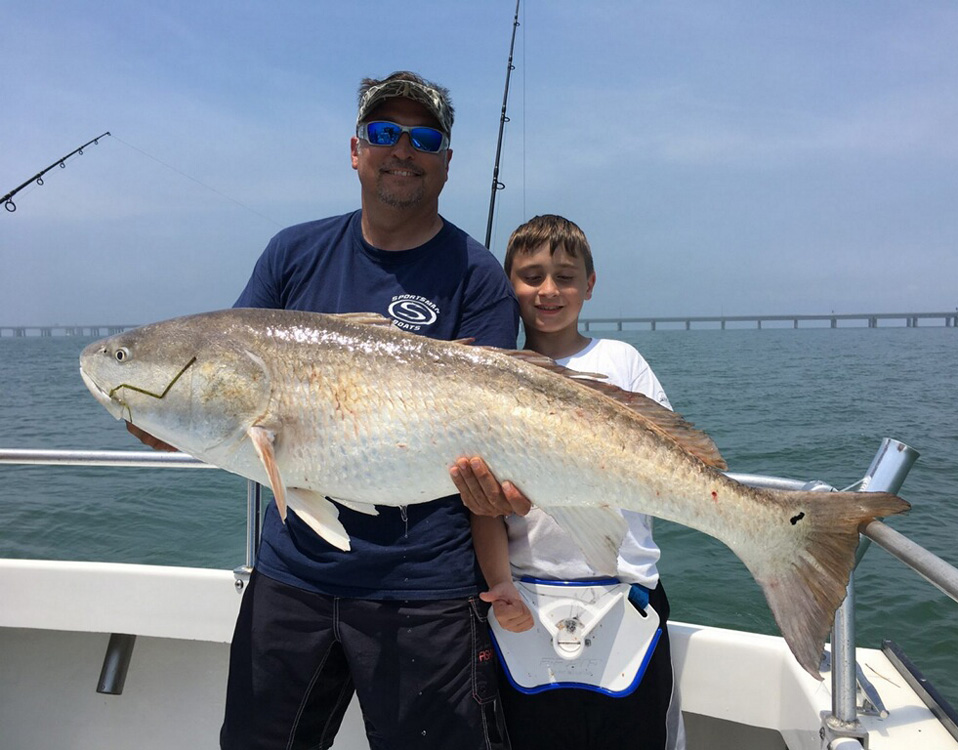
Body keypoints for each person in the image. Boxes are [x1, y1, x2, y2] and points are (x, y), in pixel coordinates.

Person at [218, 71, 521, 750]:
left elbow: (496, 431)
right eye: (384, 132)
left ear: (446, 161)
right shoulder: (292, 254)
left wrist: (500, 492)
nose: (402, 149)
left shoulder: (478, 277)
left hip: (427, 589)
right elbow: (230, 373)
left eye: (424, 137)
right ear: (356, 150)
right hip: (291, 578)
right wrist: (158, 414)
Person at [466, 215, 686, 749]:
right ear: (508, 286)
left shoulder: (622, 363)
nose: (548, 290)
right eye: (531, 275)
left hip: (627, 594)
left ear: (590, 284)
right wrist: (500, 587)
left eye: (565, 276)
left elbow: (674, 458)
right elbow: (482, 505)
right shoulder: (488, 373)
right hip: (526, 601)